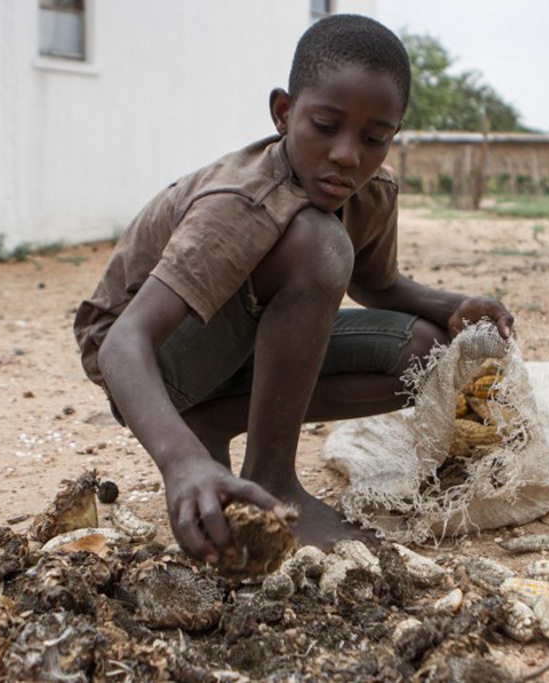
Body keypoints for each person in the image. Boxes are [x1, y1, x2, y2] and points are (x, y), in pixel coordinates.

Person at [73, 14, 513, 564]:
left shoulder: (369, 190)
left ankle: (213, 419)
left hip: (233, 346)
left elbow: (376, 285)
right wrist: (181, 461)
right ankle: (272, 476)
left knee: (428, 353)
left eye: (373, 138)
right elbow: (123, 343)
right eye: (325, 126)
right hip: (150, 362)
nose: (347, 154)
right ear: (283, 113)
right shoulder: (241, 201)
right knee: (316, 242)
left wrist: (453, 306)